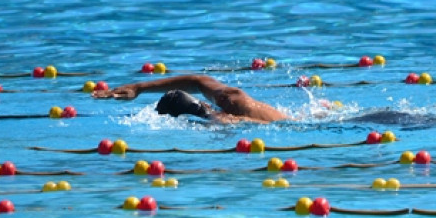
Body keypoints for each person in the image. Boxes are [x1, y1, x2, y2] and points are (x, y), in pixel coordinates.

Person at [92, 74, 289, 124]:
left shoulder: (231, 102)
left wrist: (139, 87)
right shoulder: (225, 106)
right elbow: (197, 81)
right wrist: (139, 88)